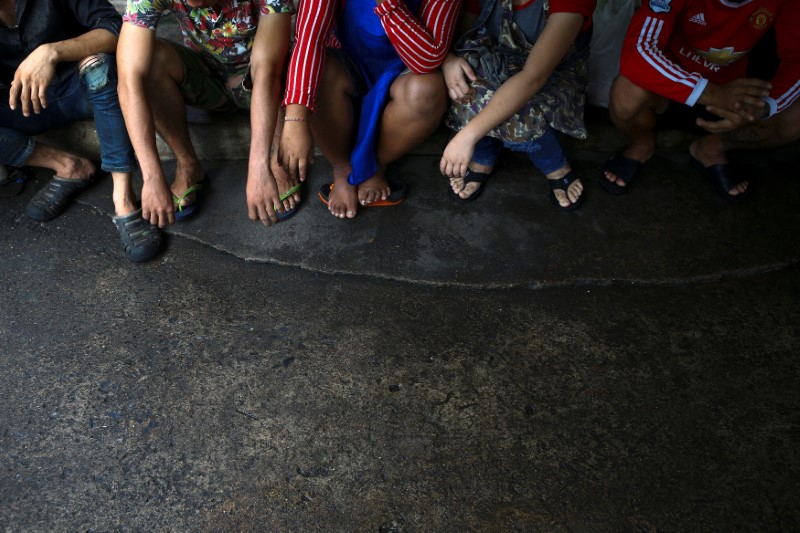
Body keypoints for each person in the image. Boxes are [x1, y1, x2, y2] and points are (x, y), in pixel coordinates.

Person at [0, 0, 162, 262]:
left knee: (99, 65)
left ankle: (123, 197)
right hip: (23, 106)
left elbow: (116, 29)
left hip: (82, 88)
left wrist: (51, 51)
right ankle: (68, 166)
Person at [117, 0, 298, 228]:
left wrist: (259, 165)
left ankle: (277, 159)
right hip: (206, 75)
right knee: (148, 61)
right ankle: (188, 166)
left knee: (288, 61)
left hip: (261, 73)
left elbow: (268, 69)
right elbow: (129, 78)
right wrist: (151, 176)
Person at [601, 0, 800, 204]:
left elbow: (797, 58)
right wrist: (711, 92)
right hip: (668, 88)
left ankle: (712, 148)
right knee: (626, 93)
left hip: (733, 98)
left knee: (795, 119)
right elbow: (638, 50)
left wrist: (761, 108)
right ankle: (642, 142)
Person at [279, 0, 461, 219]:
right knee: (320, 74)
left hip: (405, 68)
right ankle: (343, 169)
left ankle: (374, 165)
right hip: (348, 65)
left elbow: (427, 59)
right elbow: (309, 39)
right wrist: (296, 119)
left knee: (427, 91)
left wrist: (387, 3)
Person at [439, 0, 595, 211]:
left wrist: (466, 136)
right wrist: (450, 61)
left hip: (551, 74)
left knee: (522, 105)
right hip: (497, 62)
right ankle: (484, 155)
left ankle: (552, 162)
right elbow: (464, 37)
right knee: (463, 84)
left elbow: (533, 77)